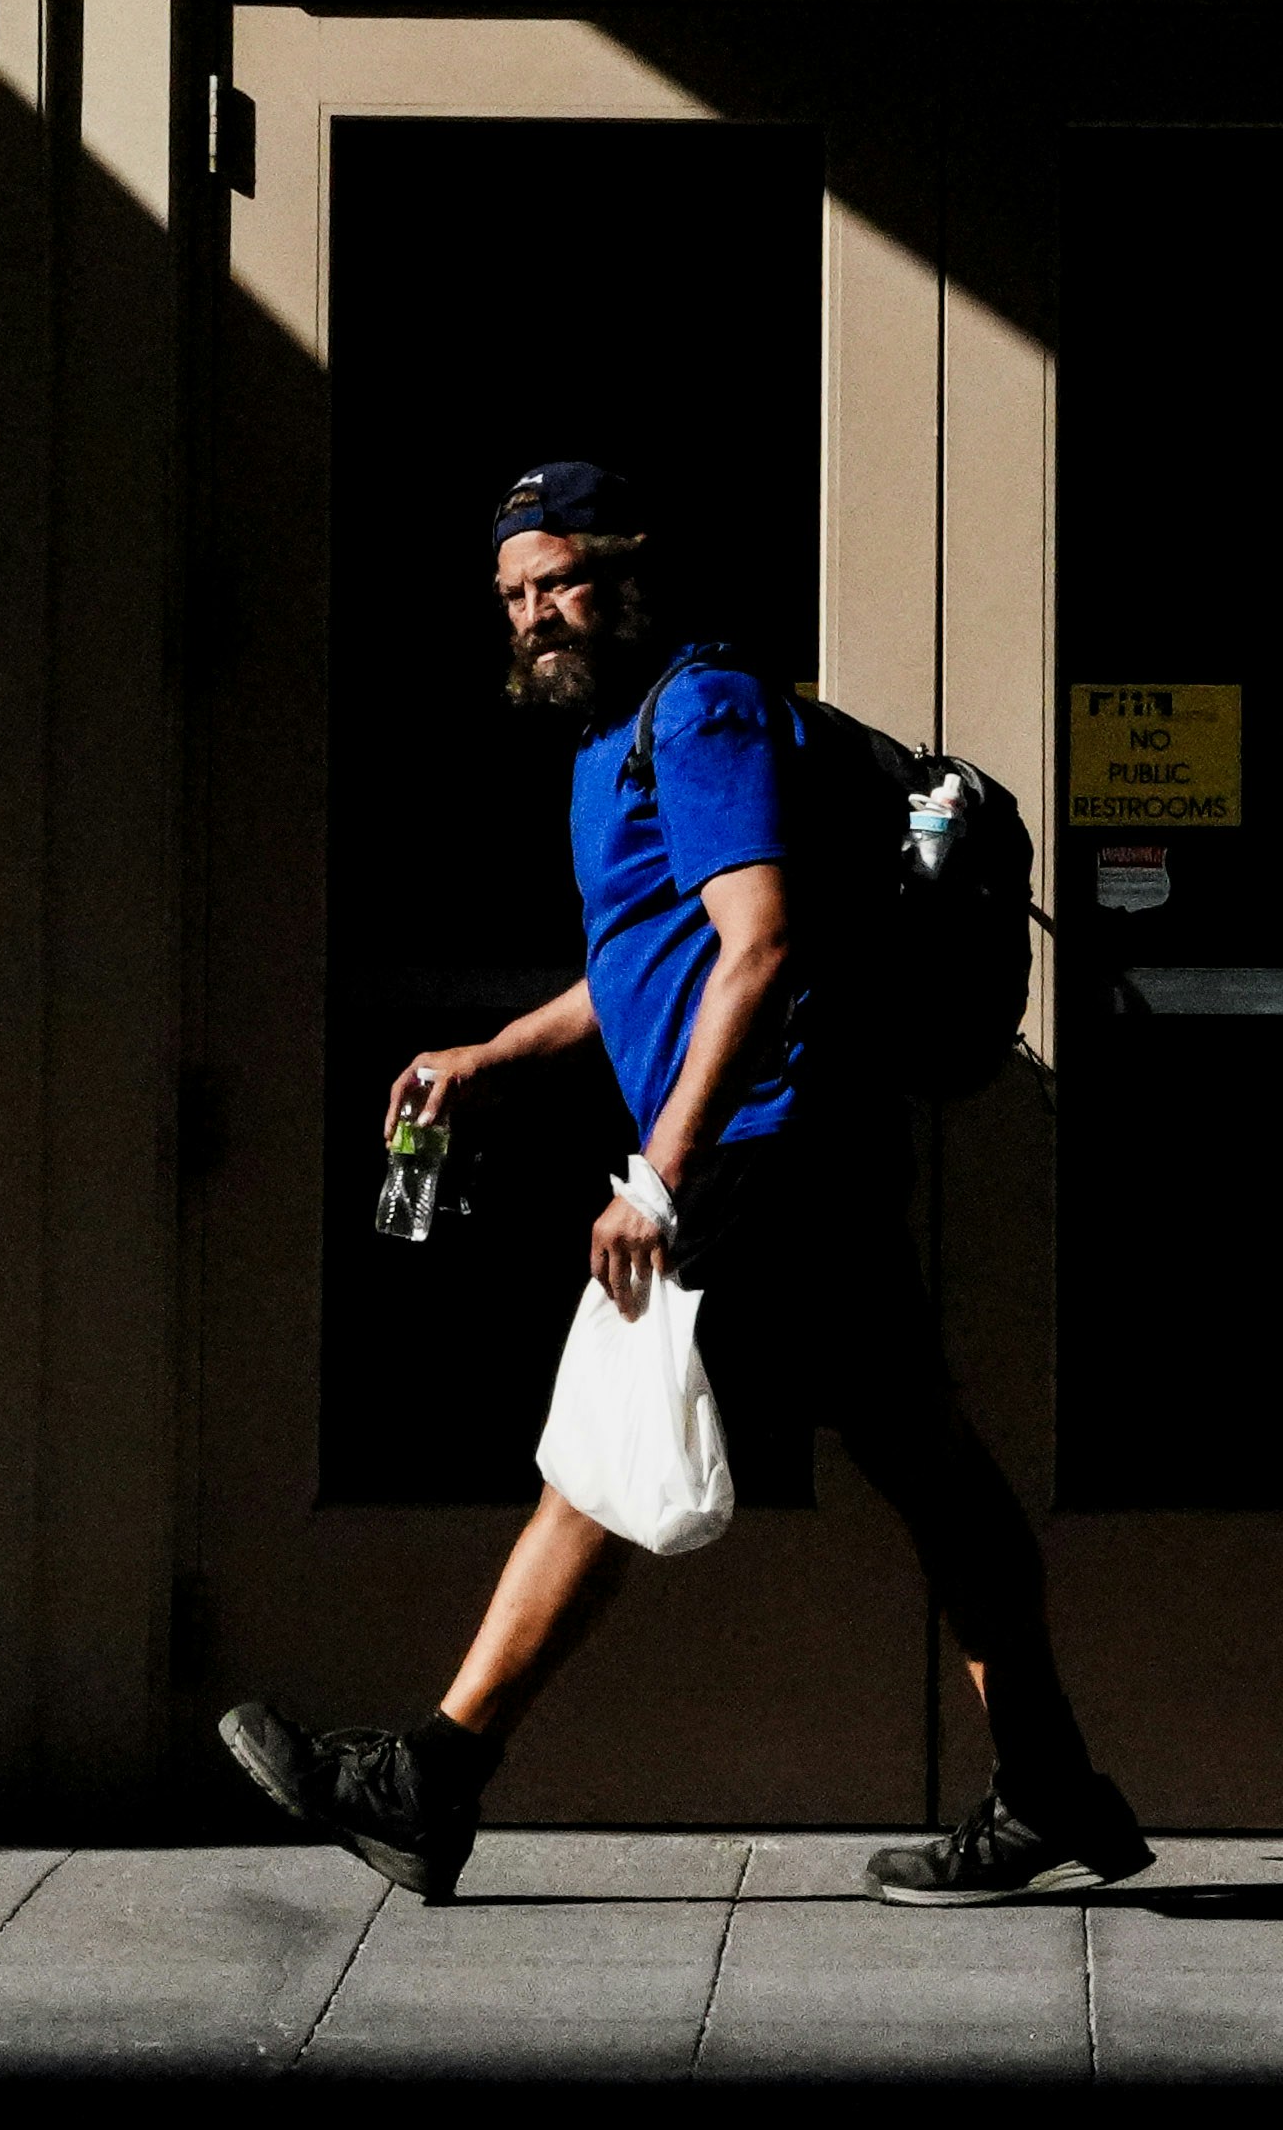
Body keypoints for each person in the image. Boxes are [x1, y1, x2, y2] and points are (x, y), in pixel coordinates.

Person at [217, 460, 1150, 1912]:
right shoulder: (612, 743)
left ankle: (430, 1780)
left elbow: (758, 942)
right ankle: (1044, 1786)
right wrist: (491, 1053)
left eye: (564, 581)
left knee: (605, 1445)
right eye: (516, 594)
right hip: (797, 1152)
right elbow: (644, 960)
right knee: (932, 1471)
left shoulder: (699, 709)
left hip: (762, 1152)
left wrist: (657, 1177)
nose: (538, 614)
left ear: (631, 576)